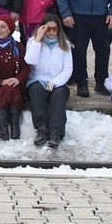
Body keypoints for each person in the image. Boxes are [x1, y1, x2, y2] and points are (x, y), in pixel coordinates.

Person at [25, 14, 74, 149]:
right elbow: (30, 61)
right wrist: (37, 40)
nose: (51, 32)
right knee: (36, 91)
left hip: (58, 82)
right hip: (37, 80)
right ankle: (42, 128)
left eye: (55, 29)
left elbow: (68, 69)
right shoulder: (33, 42)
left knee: (59, 96)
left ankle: (56, 132)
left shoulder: (65, 45)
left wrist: (55, 82)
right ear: (42, 28)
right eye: (48, 29)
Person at [0, 15, 29, 141]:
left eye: (3, 27)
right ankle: (3, 127)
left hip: (14, 84)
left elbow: (26, 68)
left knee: (12, 90)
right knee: (4, 91)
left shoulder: (18, 47)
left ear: (10, 30)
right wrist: (1, 81)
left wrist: (18, 79)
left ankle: (14, 126)